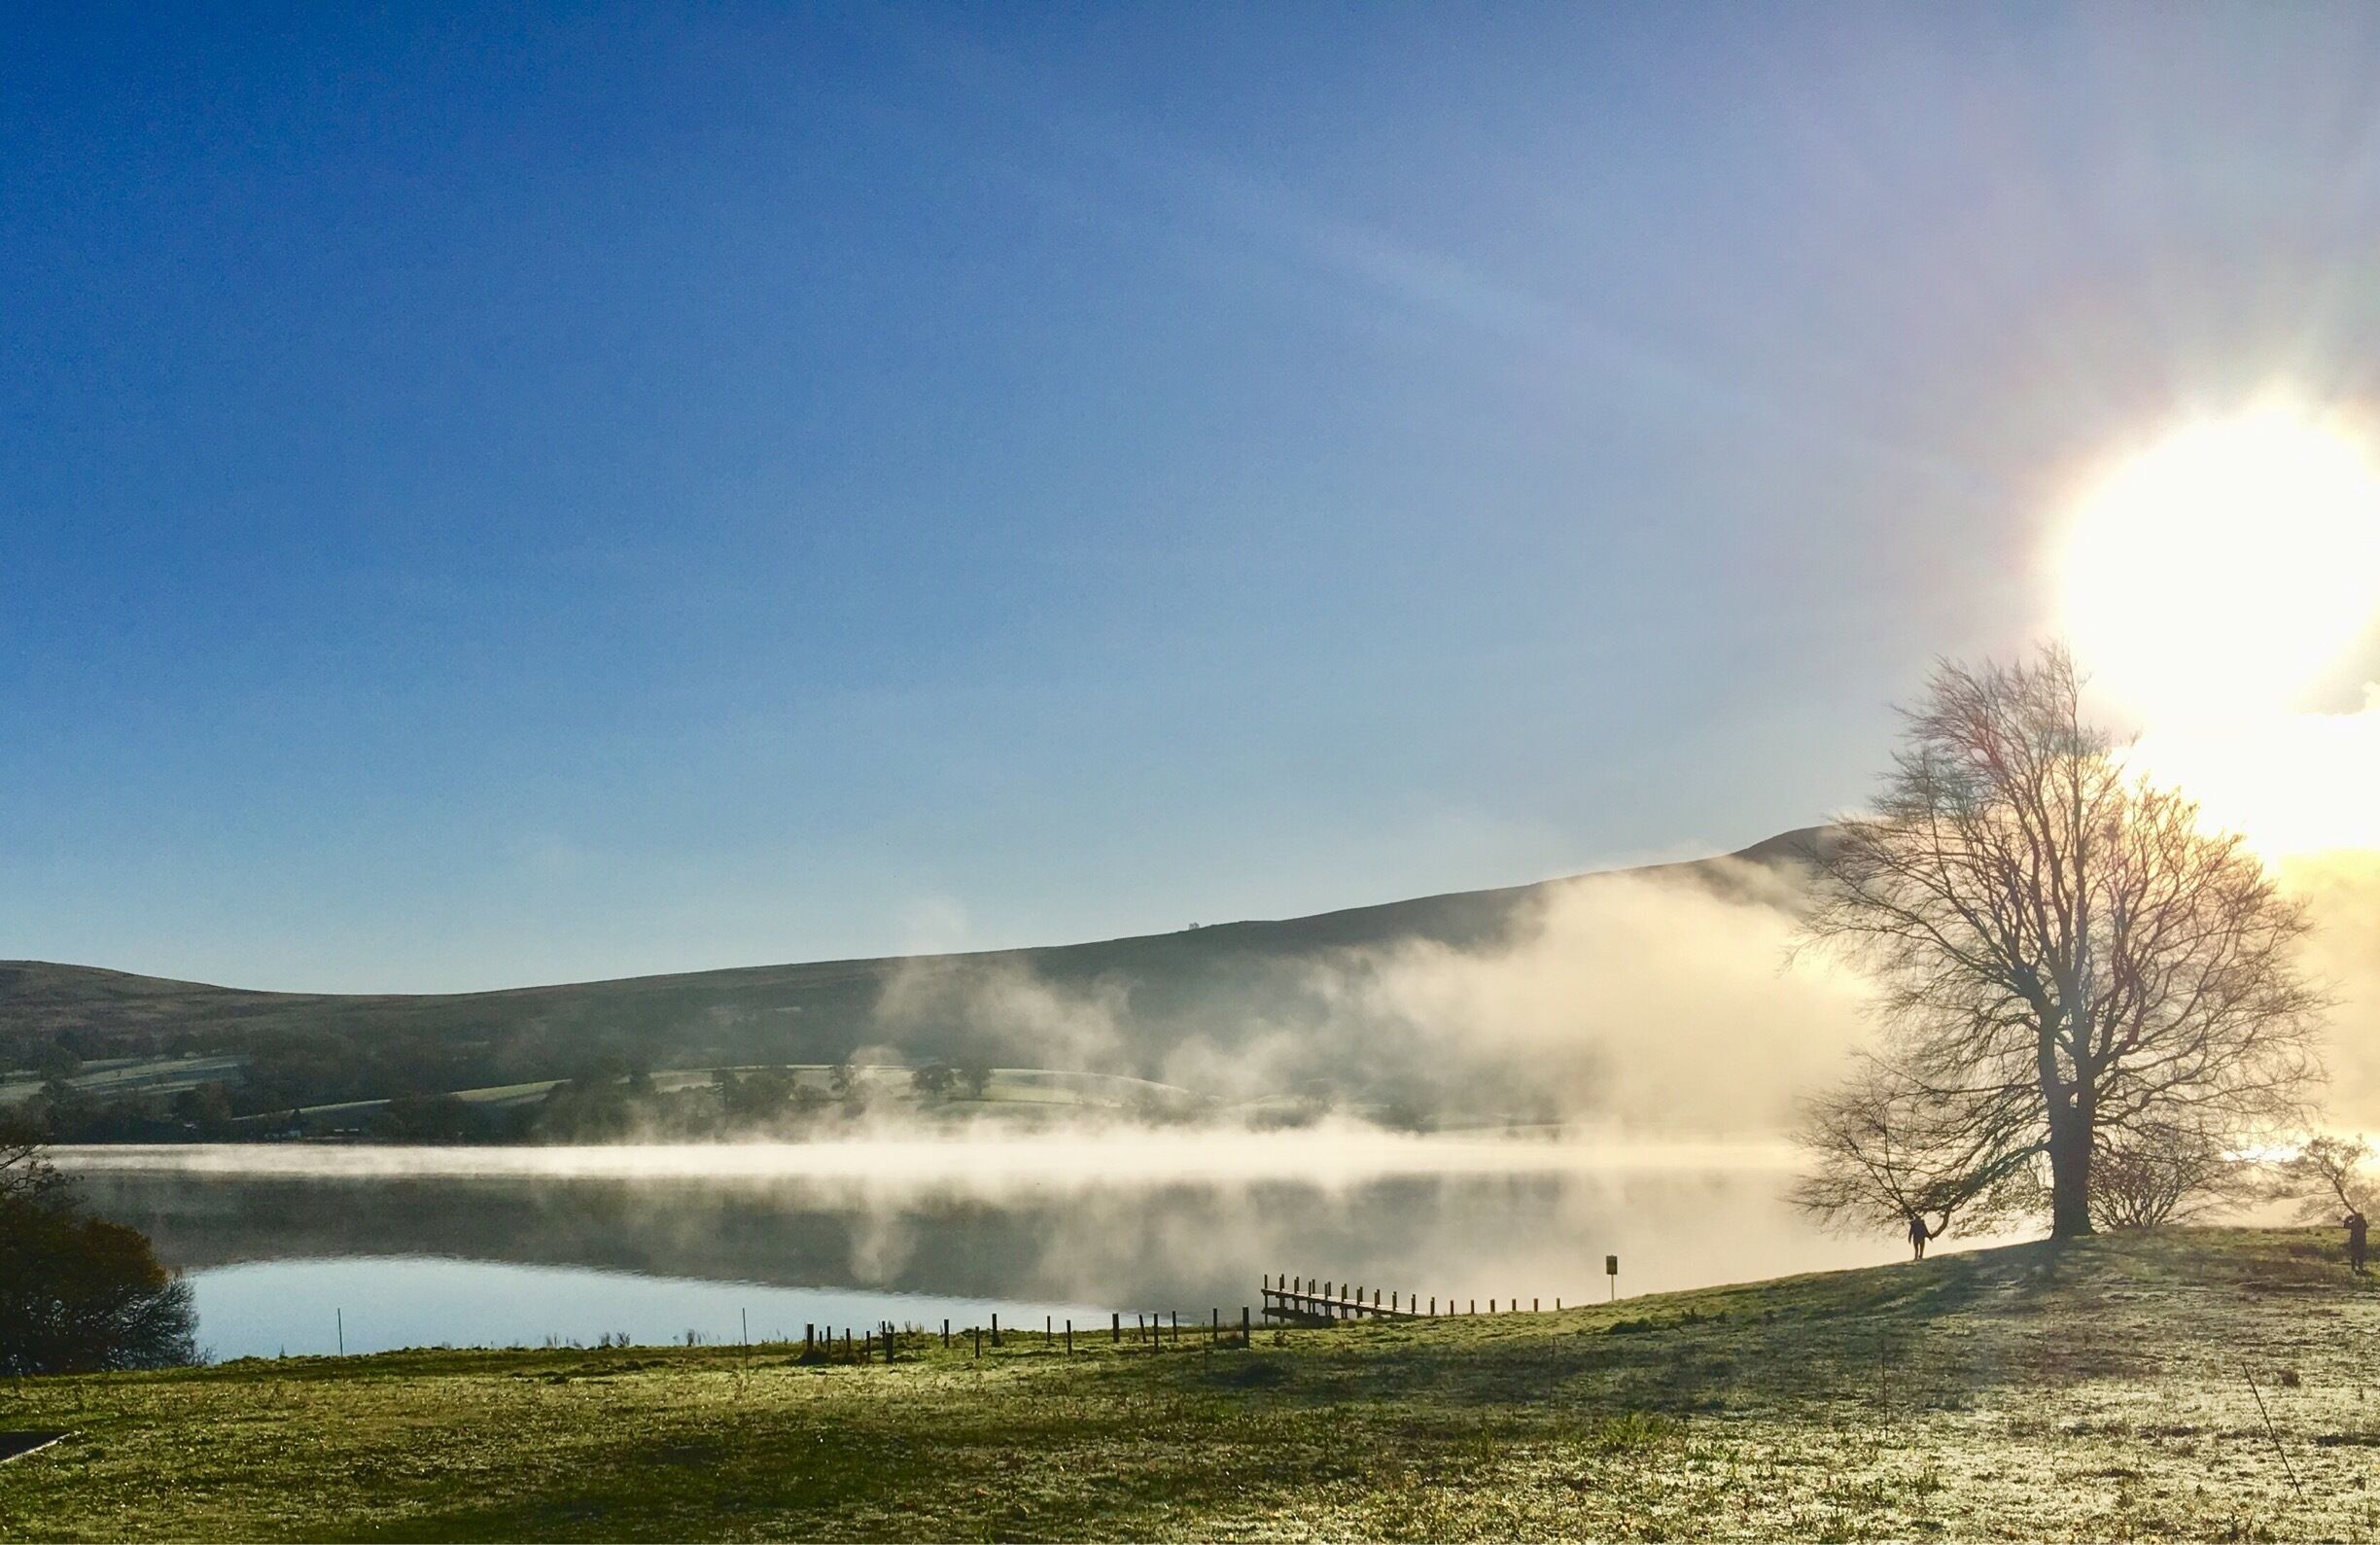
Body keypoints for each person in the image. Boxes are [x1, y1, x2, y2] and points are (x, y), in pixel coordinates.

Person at [2347, 1209, 2367, 1275]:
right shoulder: (2363, 1222)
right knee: (2360, 1256)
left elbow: (2346, 1226)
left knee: (2354, 1255)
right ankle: (2359, 1268)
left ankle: (2354, 1268)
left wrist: (2347, 1220)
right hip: (2361, 1241)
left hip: (2355, 1241)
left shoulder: (2355, 1223)